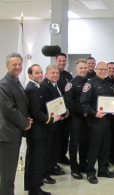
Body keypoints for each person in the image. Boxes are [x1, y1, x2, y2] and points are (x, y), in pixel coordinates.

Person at [24, 64, 59, 195]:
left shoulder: (34, 87)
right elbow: (36, 112)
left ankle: (31, 185)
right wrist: (50, 119)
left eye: (40, 72)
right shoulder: (32, 89)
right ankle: (35, 189)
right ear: (30, 75)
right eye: (36, 73)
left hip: (36, 130)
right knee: (36, 161)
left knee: (33, 159)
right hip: (37, 131)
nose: (39, 75)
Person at [0, 53, 32, 195]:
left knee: (10, 170)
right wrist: (25, 123)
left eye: (20, 64)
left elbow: (20, 105)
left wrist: (27, 118)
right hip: (7, 134)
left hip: (13, 132)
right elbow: (10, 109)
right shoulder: (4, 84)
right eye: (14, 64)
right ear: (7, 66)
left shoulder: (16, 81)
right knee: (7, 172)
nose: (18, 67)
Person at [80, 62, 114, 184]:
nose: (103, 71)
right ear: (95, 69)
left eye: (105, 69)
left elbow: (111, 101)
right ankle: (90, 172)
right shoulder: (90, 84)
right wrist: (94, 113)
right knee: (94, 147)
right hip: (95, 121)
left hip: (107, 121)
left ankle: (103, 169)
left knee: (106, 147)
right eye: (100, 69)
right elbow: (84, 103)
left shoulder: (108, 83)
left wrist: (113, 109)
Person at [40, 64, 69, 184]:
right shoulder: (44, 87)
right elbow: (48, 105)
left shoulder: (56, 85)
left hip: (57, 123)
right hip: (50, 123)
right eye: (53, 73)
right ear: (47, 74)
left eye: (57, 73)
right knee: (47, 149)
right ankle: (44, 174)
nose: (55, 75)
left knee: (54, 148)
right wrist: (62, 114)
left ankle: (51, 168)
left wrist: (65, 112)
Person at [64, 59, 89, 180]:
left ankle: (83, 164)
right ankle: (74, 168)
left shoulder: (90, 82)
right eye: (81, 68)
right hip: (76, 117)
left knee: (85, 142)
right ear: (76, 69)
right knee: (74, 142)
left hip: (87, 117)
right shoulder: (71, 83)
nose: (83, 70)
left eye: (85, 68)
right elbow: (69, 102)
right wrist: (83, 111)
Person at [56, 53, 73, 165]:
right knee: (55, 137)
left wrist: (68, 110)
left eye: (64, 61)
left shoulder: (68, 76)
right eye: (60, 61)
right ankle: (54, 159)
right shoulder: (52, 73)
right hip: (56, 111)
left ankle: (62, 156)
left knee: (65, 136)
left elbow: (70, 93)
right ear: (56, 61)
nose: (62, 63)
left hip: (66, 111)